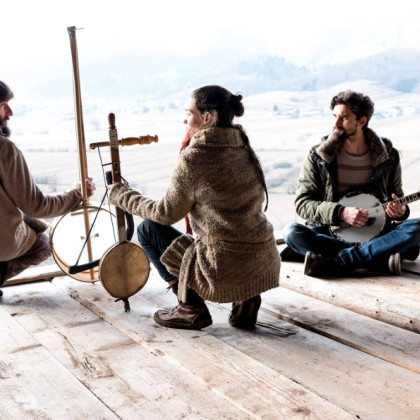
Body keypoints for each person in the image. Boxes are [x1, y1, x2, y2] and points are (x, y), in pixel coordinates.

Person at [108, 85, 280, 330]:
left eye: (189, 113)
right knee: (230, 234)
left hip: (224, 264)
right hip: (263, 257)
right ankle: (246, 295)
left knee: (147, 229)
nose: (184, 120)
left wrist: (122, 195)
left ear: (207, 118)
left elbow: (164, 214)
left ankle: (190, 308)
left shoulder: (196, 157)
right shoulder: (243, 147)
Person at [283, 90, 420, 277]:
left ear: (361, 121)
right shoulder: (318, 155)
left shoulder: (388, 155)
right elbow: (303, 203)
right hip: (332, 232)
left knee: (416, 227)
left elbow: (396, 197)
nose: (336, 124)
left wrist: (401, 211)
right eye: (335, 117)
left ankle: (339, 261)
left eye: (344, 117)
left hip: (378, 233)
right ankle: (379, 259)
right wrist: (340, 213)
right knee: (292, 232)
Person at [0, 81, 95, 295]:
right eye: (3, 105)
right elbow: (36, 206)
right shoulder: (4, 149)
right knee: (44, 243)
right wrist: (77, 193)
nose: (10, 112)